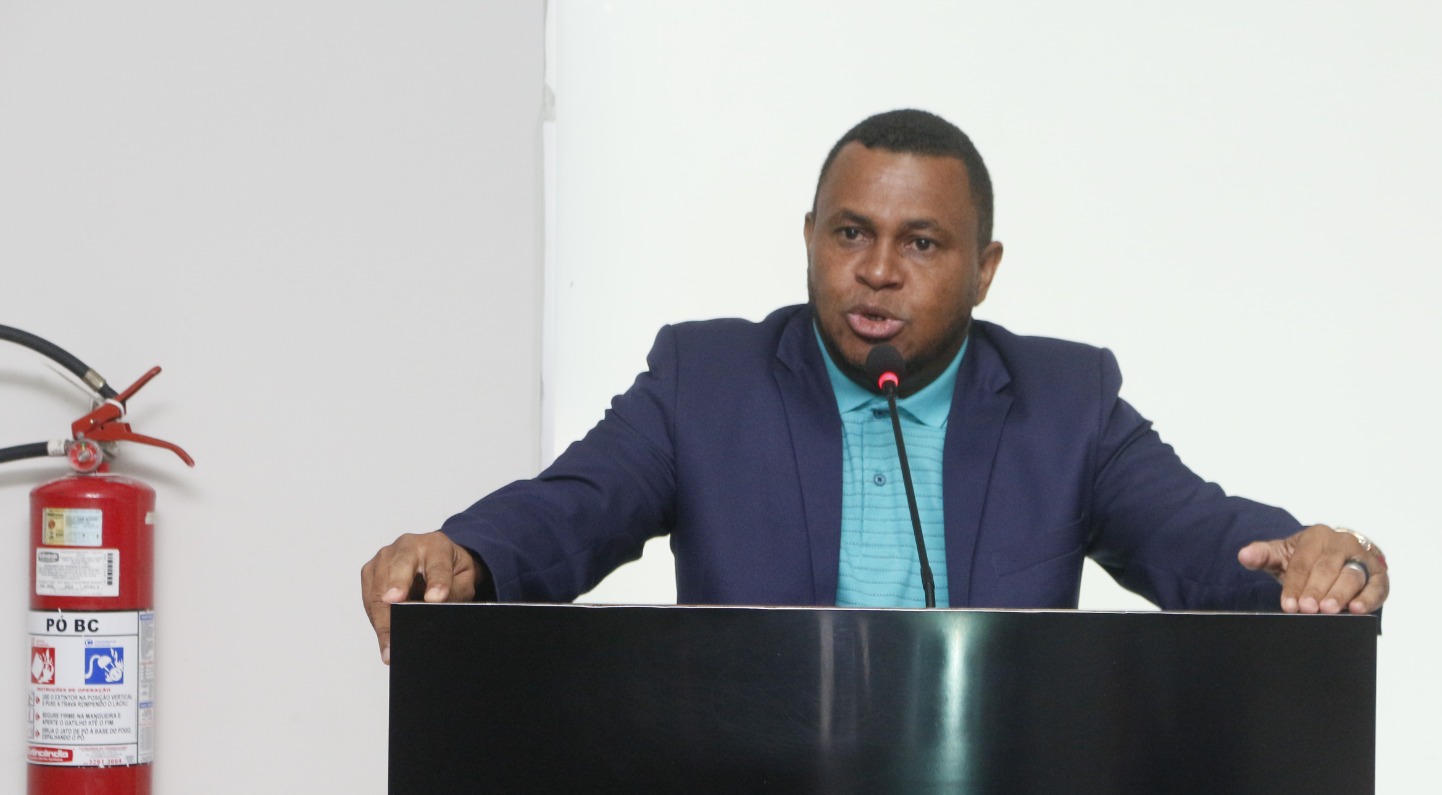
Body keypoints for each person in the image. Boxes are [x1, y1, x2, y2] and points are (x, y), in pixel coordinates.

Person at [361, 109, 1388, 663]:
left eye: (922, 243)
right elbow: (570, 510)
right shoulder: (705, 384)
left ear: (984, 270)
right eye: (851, 233)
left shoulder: (1064, 404)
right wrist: (464, 557)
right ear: (810, 238)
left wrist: (1307, 562)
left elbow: (1198, 539)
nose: (879, 271)